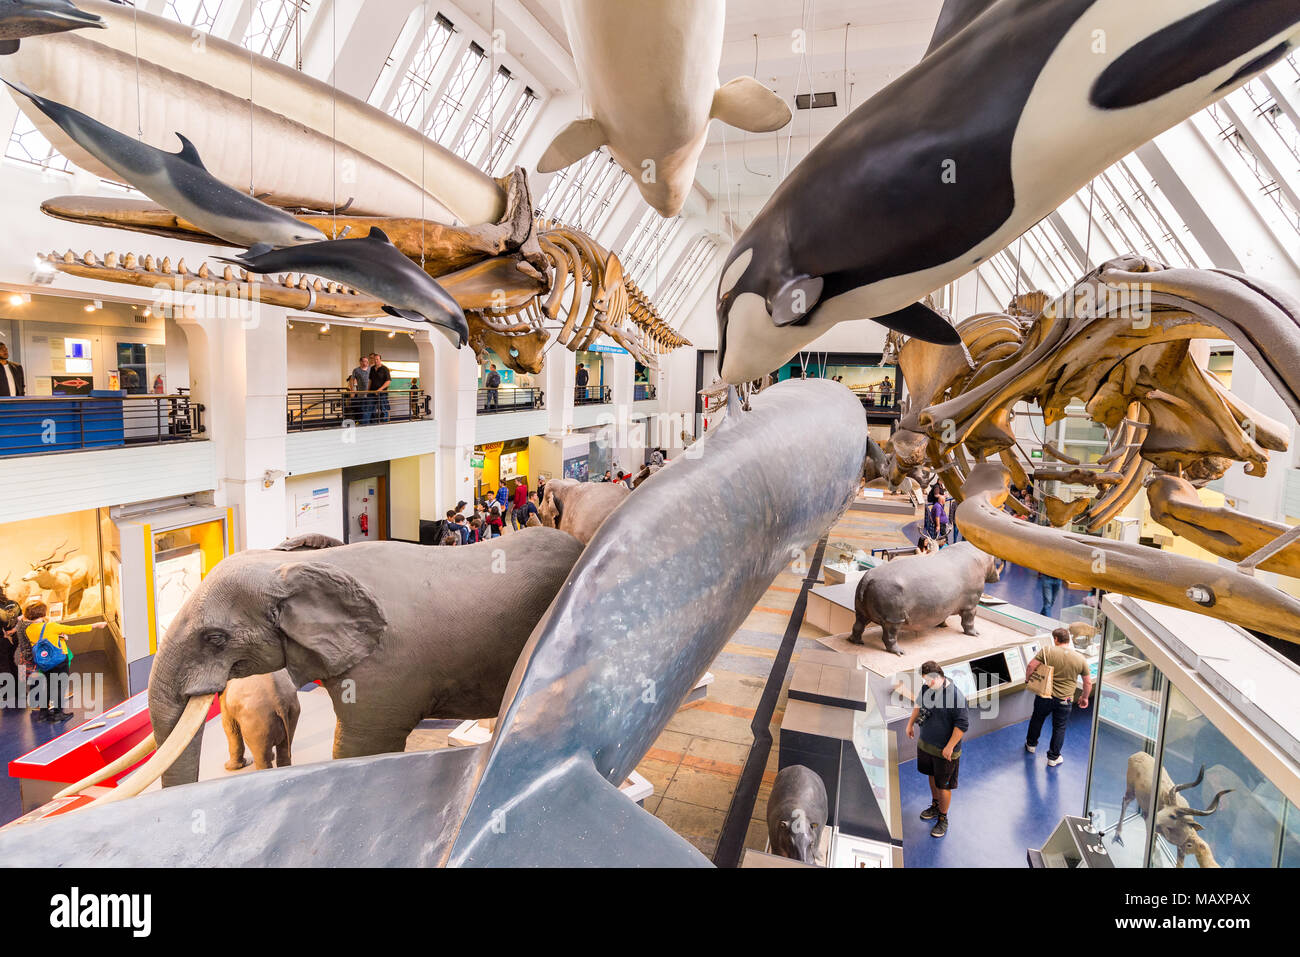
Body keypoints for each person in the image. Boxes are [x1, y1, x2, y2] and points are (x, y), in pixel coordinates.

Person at [907, 661, 968, 838]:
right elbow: (919, 704)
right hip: (927, 745)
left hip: (945, 752)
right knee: (932, 777)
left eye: (929, 681)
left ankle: (943, 818)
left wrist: (949, 747)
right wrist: (910, 724)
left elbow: (962, 724)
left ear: (939, 677)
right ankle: (935, 806)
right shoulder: (927, 688)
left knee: (944, 786)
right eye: (925, 681)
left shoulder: (956, 697)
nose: (926, 684)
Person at [18, 602, 102, 722]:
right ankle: (58, 714)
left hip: (44, 662)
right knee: (59, 687)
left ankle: (43, 714)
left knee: (46, 686)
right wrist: (95, 625)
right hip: (58, 661)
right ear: (42, 613)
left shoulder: (29, 629)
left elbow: (43, 639)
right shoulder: (51, 626)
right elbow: (74, 629)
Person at [1025, 627, 1093, 766]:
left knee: (1037, 719)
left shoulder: (1048, 651)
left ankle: (1031, 745)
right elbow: (1087, 682)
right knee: (1059, 727)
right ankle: (1053, 758)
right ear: (1068, 639)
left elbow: (1031, 666)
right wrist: (1084, 698)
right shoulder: (1080, 658)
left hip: (1045, 695)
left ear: (1056, 639)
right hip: (1065, 700)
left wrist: (1028, 680)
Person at [367, 353, 392, 422]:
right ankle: (373, 422)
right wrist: (368, 391)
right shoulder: (372, 369)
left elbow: (388, 381)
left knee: (384, 408)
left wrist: (379, 390)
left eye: (377, 359)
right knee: (371, 408)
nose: (376, 361)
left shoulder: (385, 369)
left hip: (382, 393)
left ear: (380, 360)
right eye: (374, 359)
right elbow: (370, 380)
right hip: (372, 392)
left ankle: (385, 422)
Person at [348, 355, 371, 424]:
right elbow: (351, 380)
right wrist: (352, 391)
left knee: (369, 409)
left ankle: (369, 423)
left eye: (366, 361)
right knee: (361, 409)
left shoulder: (371, 369)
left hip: (370, 393)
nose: (365, 363)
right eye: (363, 361)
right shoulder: (356, 370)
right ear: (360, 362)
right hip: (361, 394)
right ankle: (361, 422)